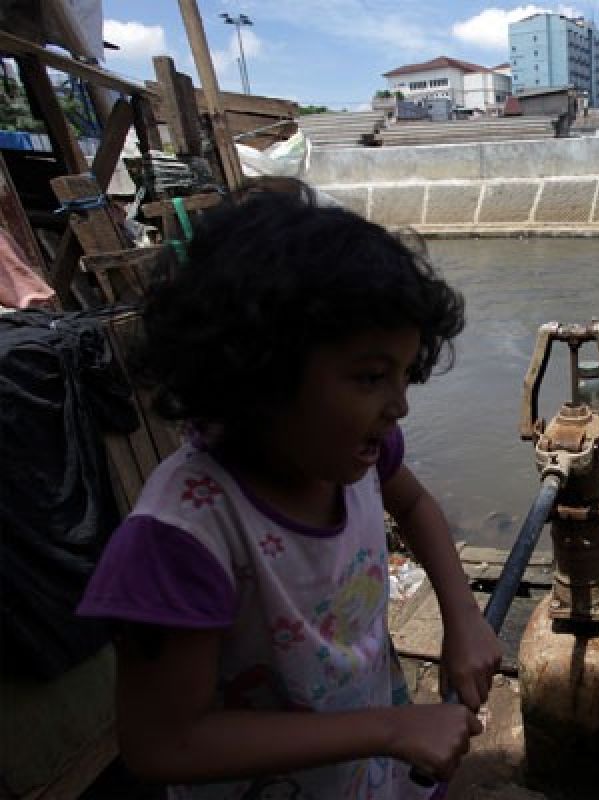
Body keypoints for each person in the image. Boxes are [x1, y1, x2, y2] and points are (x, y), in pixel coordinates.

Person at [78, 187, 502, 799]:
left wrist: (463, 620)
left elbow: (413, 505)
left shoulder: (355, 456)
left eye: (405, 375)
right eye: (370, 377)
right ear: (261, 373)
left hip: (364, 760)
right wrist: (389, 727)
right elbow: (162, 743)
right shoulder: (182, 540)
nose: (399, 406)